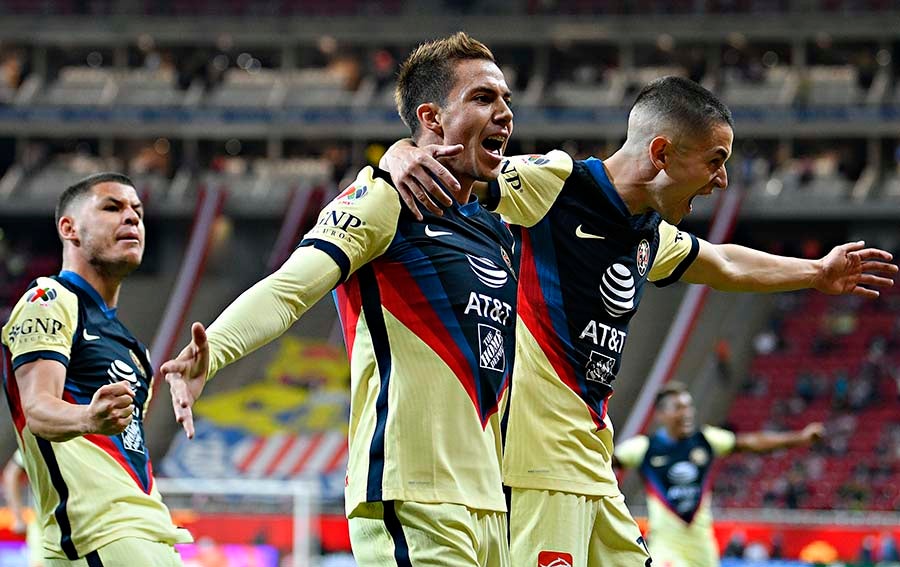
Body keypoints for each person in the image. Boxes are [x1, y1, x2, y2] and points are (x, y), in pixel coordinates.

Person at [381, 75, 897, 567]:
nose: (721, 180)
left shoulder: (648, 234)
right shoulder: (557, 184)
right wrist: (398, 154)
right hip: (533, 468)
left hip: (592, 468)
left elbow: (723, 263)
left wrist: (816, 271)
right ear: (661, 153)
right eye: (716, 161)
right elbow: (459, 167)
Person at [161, 33, 517, 566]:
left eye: (506, 99)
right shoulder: (383, 197)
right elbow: (289, 288)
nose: (505, 114)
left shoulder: (498, 231)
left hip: (489, 502)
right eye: (483, 99)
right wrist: (215, 349)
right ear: (432, 117)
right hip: (410, 492)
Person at [1, 172, 191, 566]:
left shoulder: (131, 346)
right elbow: (37, 408)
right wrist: (88, 416)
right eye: (112, 207)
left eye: (137, 211)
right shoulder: (48, 299)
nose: (132, 218)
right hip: (106, 535)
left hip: (141, 532)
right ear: (69, 228)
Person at [613, 381, 825, 567]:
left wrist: (800, 438)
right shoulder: (643, 448)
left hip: (702, 545)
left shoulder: (706, 440)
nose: (687, 413)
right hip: (665, 545)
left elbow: (751, 443)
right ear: (661, 414)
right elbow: (604, 460)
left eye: (688, 406)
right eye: (679, 407)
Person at [3, 450, 43, 567]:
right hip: (44, 528)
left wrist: (18, 519)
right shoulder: (37, 438)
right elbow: (11, 474)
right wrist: (18, 517)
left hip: (81, 527)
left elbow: (10, 474)